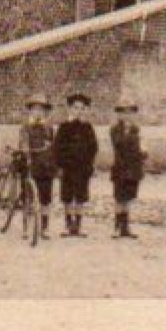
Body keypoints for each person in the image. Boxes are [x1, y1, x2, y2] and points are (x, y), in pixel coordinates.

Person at [54, 92, 99, 237]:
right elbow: (58, 147)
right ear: (70, 109)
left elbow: (93, 147)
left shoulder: (88, 128)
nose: (78, 111)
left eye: (81, 108)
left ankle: (78, 225)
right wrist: (60, 165)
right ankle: (68, 224)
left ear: (85, 110)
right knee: (67, 196)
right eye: (75, 108)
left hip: (82, 168)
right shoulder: (64, 127)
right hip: (67, 167)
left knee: (80, 196)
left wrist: (90, 164)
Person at [18, 93, 58, 238]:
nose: (38, 112)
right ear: (30, 111)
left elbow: (53, 144)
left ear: (45, 112)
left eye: (41, 110)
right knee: (27, 196)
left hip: (45, 165)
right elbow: (23, 141)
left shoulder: (48, 127)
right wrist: (25, 148)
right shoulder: (26, 127)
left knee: (46, 198)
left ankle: (45, 227)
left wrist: (51, 148)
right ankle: (26, 227)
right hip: (30, 164)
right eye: (35, 109)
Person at [109, 100, 145, 239]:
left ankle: (126, 226)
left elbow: (140, 148)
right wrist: (130, 134)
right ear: (119, 115)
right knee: (119, 198)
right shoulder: (115, 130)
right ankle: (117, 226)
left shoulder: (137, 129)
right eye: (123, 112)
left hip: (133, 168)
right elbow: (119, 144)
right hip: (120, 167)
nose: (127, 116)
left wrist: (143, 152)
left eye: (130, 112)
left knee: (128, 197)